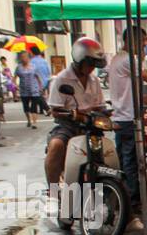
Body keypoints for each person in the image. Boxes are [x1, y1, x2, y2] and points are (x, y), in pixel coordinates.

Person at [108, 26, 147, 213]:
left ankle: (128, 201)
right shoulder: (128, 59)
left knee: (127, 162)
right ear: (130, 41)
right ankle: (134, 204)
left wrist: (143, 99)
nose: (143, 45)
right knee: (131, 163)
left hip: (122, 117)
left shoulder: (118, 58)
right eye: (141, 42)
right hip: (127, 120)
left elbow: (127, 89)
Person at [45, 37, 106, 188]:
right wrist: (74, 114)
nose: (92, 67)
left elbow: (100, 106)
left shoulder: (94, 81)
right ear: (79, 59)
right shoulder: (61, 79)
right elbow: (55, 110)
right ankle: (53, 191)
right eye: (90, 63)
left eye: (95, 64)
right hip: (68, 125)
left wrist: (106, 114)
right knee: (56, 145)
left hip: (92, 125)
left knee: (107, 151)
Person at [15, 50, 44, 129]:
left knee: (34, 107)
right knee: (26, 107)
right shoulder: (18, 67)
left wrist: (41, 87)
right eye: (22, 57)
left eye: (25, 57)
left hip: (34, 89)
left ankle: (34, 123)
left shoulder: (34, 67)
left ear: (29, 58)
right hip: (23, 90)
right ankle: (29, 120)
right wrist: (16, 86)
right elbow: (14, 78)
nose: (24, 59)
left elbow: (38, 77)